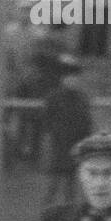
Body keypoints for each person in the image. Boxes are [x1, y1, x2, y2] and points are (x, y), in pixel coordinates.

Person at [42, 55, 93, 204]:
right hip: (59, 145)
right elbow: (47, 121)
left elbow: (86, 122)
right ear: (63, 79)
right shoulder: (54, 98)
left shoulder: (82, 98)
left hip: (75, 145)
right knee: (54, 184)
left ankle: (68, 213)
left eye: (75, 78)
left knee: (71, 186)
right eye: (69, 78)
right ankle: (48, 211)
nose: (73, 81)